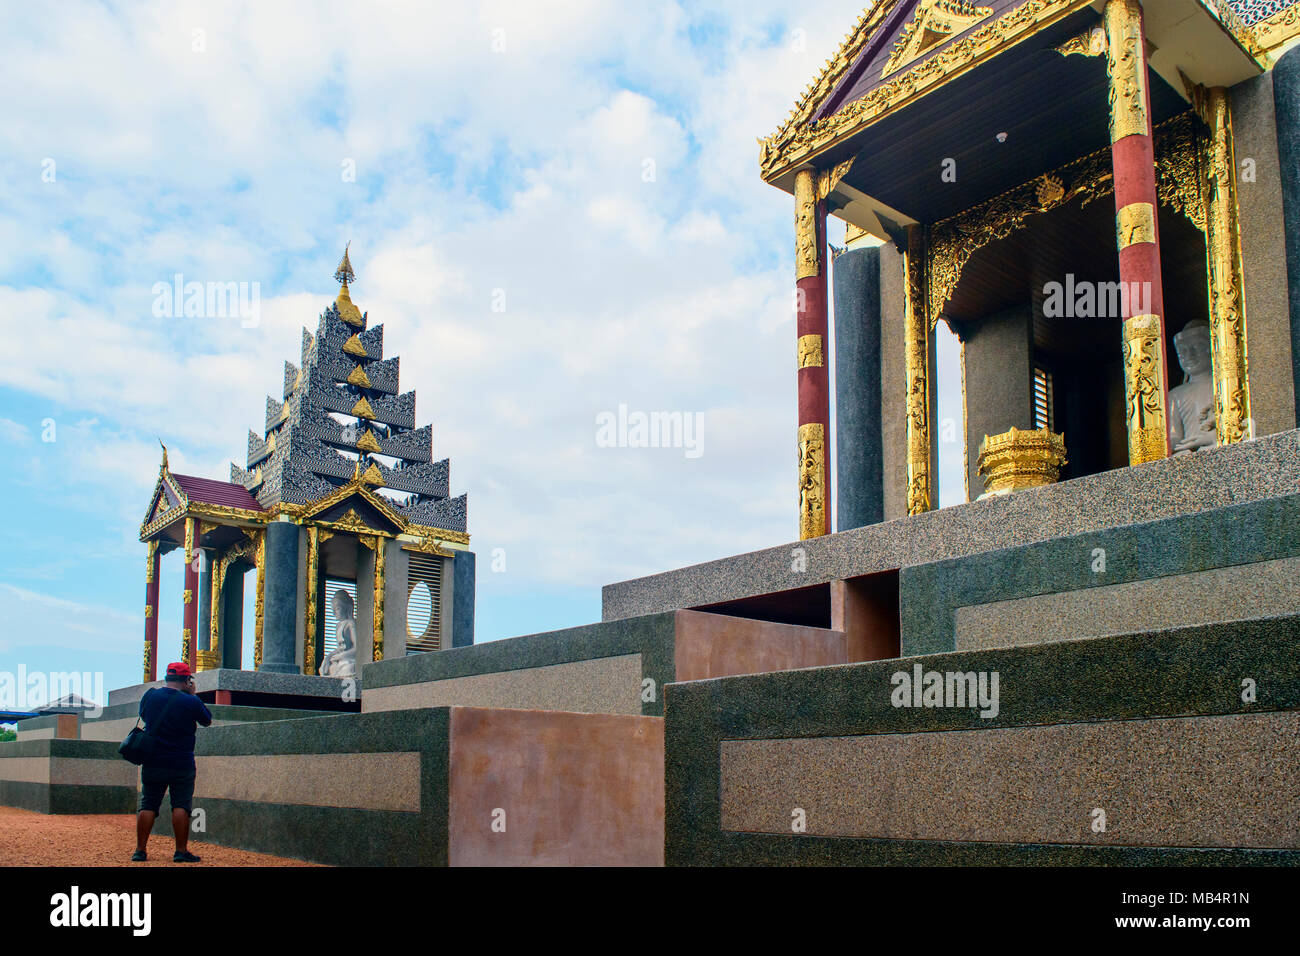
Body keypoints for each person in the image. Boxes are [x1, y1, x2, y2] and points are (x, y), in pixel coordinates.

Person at [132, 661, 212, 863]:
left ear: (167, 678)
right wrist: (193, 695)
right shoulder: (190, 701)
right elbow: (207, 720)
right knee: (181, 805)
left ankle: (140, 850)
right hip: (181, 761)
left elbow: (143, 715)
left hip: (152, 759)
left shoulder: (150, 695)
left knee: (148, 803)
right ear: (186, 681)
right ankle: (181, 851)